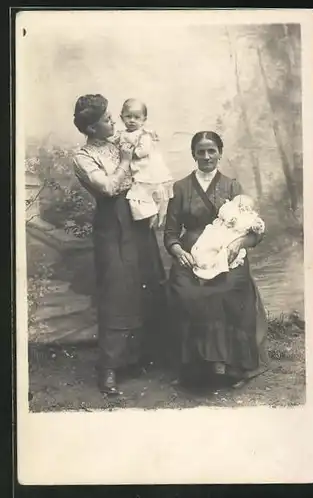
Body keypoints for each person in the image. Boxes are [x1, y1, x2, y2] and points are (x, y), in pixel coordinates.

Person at [73, 94, 166, 395]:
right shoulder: (83, 157)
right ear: (90, 128)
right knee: (116, 290)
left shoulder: (120, 142)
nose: (114, 121)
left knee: (146, 281)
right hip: (111, 224)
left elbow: (148, 164)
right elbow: (108, 187)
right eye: (106, 119)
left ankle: (139, 357)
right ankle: (109, 368)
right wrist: (126, 160)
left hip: (136, 217)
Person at [164, 131, 269, 386]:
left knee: (228, 290)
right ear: (193, 155)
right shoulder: (181, 188)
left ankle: (234, 366)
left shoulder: (232, 186)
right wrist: (179, 252)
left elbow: (254, 233)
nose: (207, 156)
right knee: (187, 291)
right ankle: (197, 367)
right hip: (193, 256)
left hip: (228, 255)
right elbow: (169, 234)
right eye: (201, 151)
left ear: (220, 153)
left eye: (212, 150)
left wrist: (237, 243)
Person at [114, 98, 173, 227]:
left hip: (145, 167)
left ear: (144, 120)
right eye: (128, 116)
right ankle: (148, 214)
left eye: (136, 117)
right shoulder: (121, 134)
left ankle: (155, 213)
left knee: (147, 192)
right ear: (121, 117)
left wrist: (130, 153)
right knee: (137, 197)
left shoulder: (143, 134)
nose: (132, 120)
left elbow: (143, 151)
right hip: (134, 167)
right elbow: (115, 144)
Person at [191, 194, 265, 281]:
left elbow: (258, 233)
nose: (242, 208)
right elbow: (224, 212)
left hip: (232, 240)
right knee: (206, 247)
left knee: (224, 254)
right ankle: (204, 264)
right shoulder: (229, 211)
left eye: (246, 207)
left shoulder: (248, 216)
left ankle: (215, 269)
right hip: (215, 233)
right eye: (239, 205)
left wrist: (240, 242)